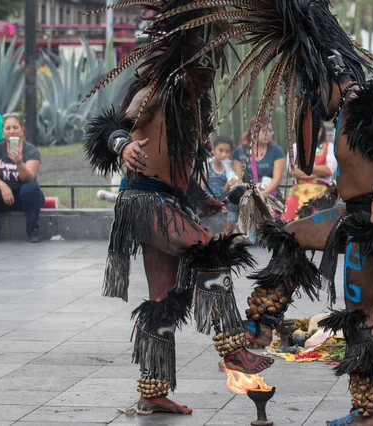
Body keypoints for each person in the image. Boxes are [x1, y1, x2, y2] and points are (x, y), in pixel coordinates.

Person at [185, 2, 373, 424]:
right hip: (352, 214)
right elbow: (323, 160)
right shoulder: (345, 109)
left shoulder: (368, 105)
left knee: (360, 317)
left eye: (315, 89)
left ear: (334, 78)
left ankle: (370, 413)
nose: (313, 98)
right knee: (289, 235)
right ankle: (261, 324)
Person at [82, 1, 273, 416]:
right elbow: (111, 127)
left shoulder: (194, 106)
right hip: (143, 200)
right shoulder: (154, 90)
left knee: (164, 301)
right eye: (199, 72)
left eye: (210, 74)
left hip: (166, 200)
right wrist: (124, 145)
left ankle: (151, 390)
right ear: (183, 61)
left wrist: (198, 193)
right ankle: (234, 350)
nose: (205, 81)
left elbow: (179, 166)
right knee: (210, 254)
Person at [0, 112, 44, 243]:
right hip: (3, 197)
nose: (12, 131)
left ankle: (32, 229)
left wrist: (19, 163)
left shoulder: (31, 151)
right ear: (3, 131)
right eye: (8, 128)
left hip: (24, 198)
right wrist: (3, 186)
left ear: (22, 129)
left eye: (15, 127)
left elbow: (29, 178)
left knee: (31, 188)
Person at [283, 125, 338, 220]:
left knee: (318, 217)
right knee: (289, 219)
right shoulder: (295, 148)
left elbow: (329, 170)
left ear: (320, 130)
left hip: (320, 191)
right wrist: (319, 172)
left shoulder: (329, 147)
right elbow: (292, 171)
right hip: (297, 190)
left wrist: (303, 168)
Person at [232, 117, 286, 201]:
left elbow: (277, 179)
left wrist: (261, 195)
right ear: (253, 131)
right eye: (264, 130)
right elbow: (239, 179)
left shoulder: (276, 151)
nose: (268, 134)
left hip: (270, 196)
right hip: (247, 197)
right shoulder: (240, 152)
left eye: (270, 131)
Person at [197, 136, 239, 235]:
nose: (224, 154)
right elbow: (200, 186)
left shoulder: (229, 166)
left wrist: (228, 185)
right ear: (213, 150)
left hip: (223, 199)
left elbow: (227, 191)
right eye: (221, 150)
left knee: (233, 205)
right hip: (209, 199)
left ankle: (228, 229)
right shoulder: (206, 165)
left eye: (227, 152)